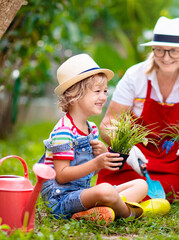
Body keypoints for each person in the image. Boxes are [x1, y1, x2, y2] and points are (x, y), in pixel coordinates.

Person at [97, 16, 179, 201]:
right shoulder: (135, 76)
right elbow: (108, 124)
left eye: (174, 52)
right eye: (160, 51)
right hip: (136, 159)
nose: (166, 58)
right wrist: (127, 149)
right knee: (120, 183)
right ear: (153, 49)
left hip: (173, 161)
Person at [38, 53, 147, 224]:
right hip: (61, 200)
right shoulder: (63, 131)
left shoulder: (91, 129)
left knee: (141, 185)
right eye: (97, 91)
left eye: (104, 91)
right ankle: (129, 213)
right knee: (105, 191)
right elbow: (62, 176)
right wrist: (97, 163)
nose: (103, 97)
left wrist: (101, 159)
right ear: (75, 95)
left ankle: (95, 212)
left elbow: (88, 173)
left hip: (81, 195)